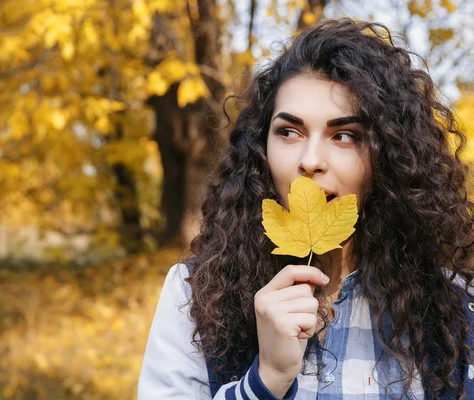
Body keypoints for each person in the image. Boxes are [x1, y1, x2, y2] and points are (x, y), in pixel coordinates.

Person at [138, 19, 474, 399]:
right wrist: (266, 381)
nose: (311, 160)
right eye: (289, 132)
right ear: (261, 148)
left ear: (390, 157)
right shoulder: (195, 295)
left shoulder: (455, 308)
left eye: (344, 135)